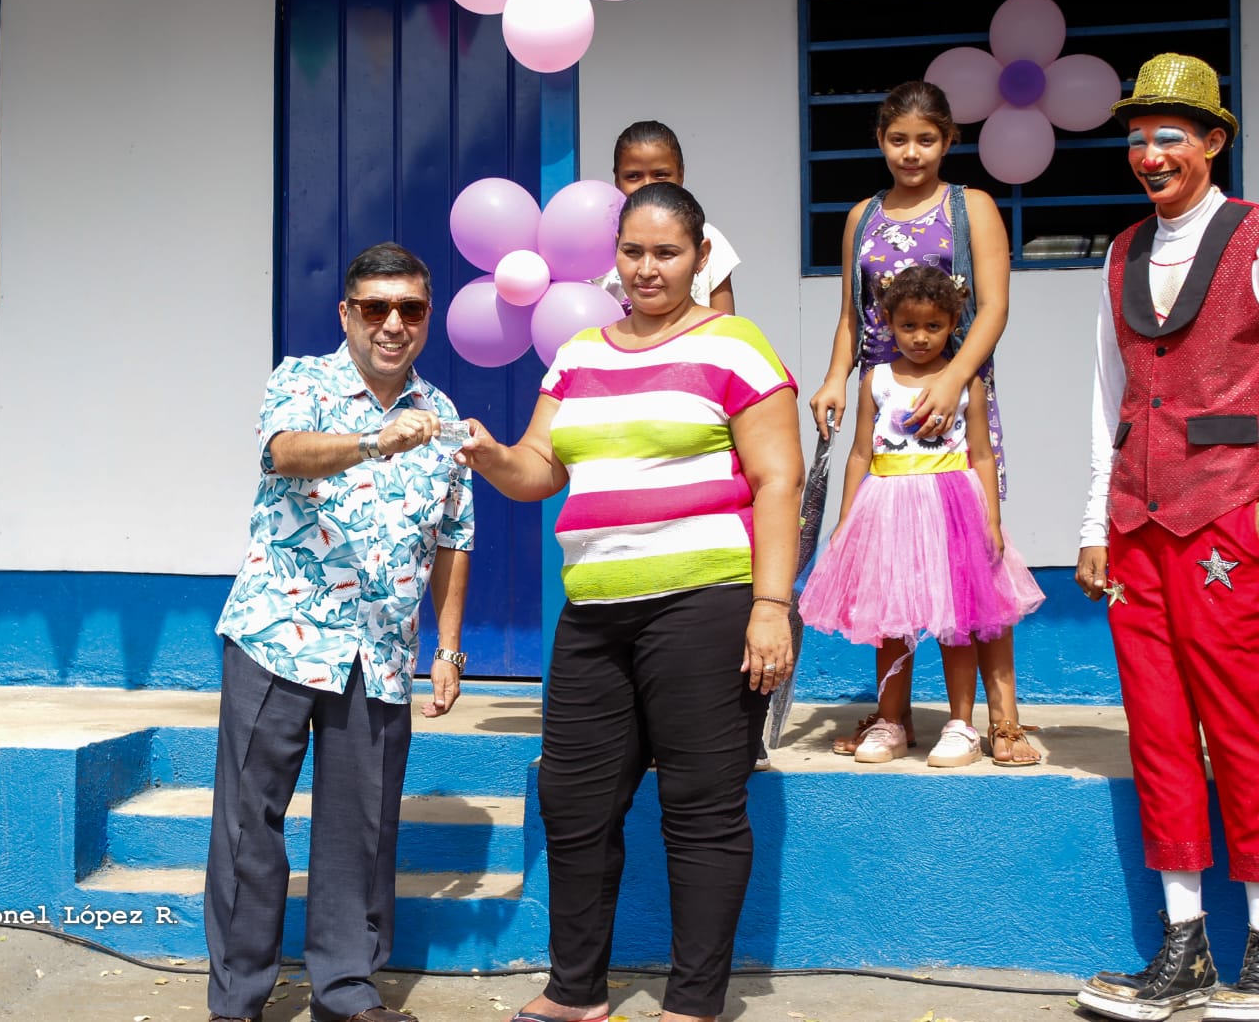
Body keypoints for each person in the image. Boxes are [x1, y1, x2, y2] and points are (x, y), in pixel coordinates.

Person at [457, 181, 803, 1022]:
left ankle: (692, 1002)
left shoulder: (737, 348)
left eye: (668, 253)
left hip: (704, 604)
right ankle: (576, 992)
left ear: (699, 258)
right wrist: (493, 455)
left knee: (702, 806)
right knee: (572, 802)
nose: (648, 269)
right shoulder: (577, 355)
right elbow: (542, 468)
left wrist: (770, 606)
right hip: (594, 614)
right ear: (615, 255)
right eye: (634, 252)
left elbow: (778, 478)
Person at [206, 242, 474, 1022]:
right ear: (347, 313)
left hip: (382, 655)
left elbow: (455, 537)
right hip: (281, 638)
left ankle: (346, 995)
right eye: (376, 308)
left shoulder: (443, 416)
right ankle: (238, 1000)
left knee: (360, 833)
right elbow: (282, 453)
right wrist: (370, 442)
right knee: (249, 825)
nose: (393, 324)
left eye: (411, 309)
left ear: (427, 317)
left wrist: (448, 650)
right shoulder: (302, 379)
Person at [1073, 52, 1259, 1022]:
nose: (1149, 153)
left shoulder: (1254, 239)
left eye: (1168, 135)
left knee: (1244, 726)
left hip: (1231, 519)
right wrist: (1092, 520)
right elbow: (1110, 398)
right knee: (1156, 733)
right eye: (1137, 136)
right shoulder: (1118, 254)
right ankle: (1183, 951)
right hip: (1136, 529)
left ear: (1214, 140)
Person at [807, 81, 1038, 767]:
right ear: (881, 141)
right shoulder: (862, 216)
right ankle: (892, 716)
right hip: (886, 406)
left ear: (947, 141)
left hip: (956, 394)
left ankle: (1000, 721)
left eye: (926, 138)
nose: (912, 152)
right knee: (895, 565)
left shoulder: (973, 209)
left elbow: (993, 308)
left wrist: (953, 377)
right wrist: (833, 377)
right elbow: (854, 316)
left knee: (974, 563)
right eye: (898, 139)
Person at [799, 266, 1043, 766]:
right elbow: (861, 454)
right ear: (888, 322)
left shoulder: (965, 383)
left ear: (954, 323)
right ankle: (891, 720)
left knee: (958, 620)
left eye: (933, 326)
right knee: (892, 621)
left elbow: (980, 454)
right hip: (887, 507)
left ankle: (961, 725)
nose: (920, 337)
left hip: (952, 506)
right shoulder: (876, 381)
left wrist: (992, 520)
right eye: (908, 326)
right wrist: (847, 520)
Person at [592, 120, 741, 314]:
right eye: (633, 176)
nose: (647, 184)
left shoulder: (708, 237)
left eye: (660, 174)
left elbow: (726, 325)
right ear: (617, 179)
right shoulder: (596, 244)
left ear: (681, 174)